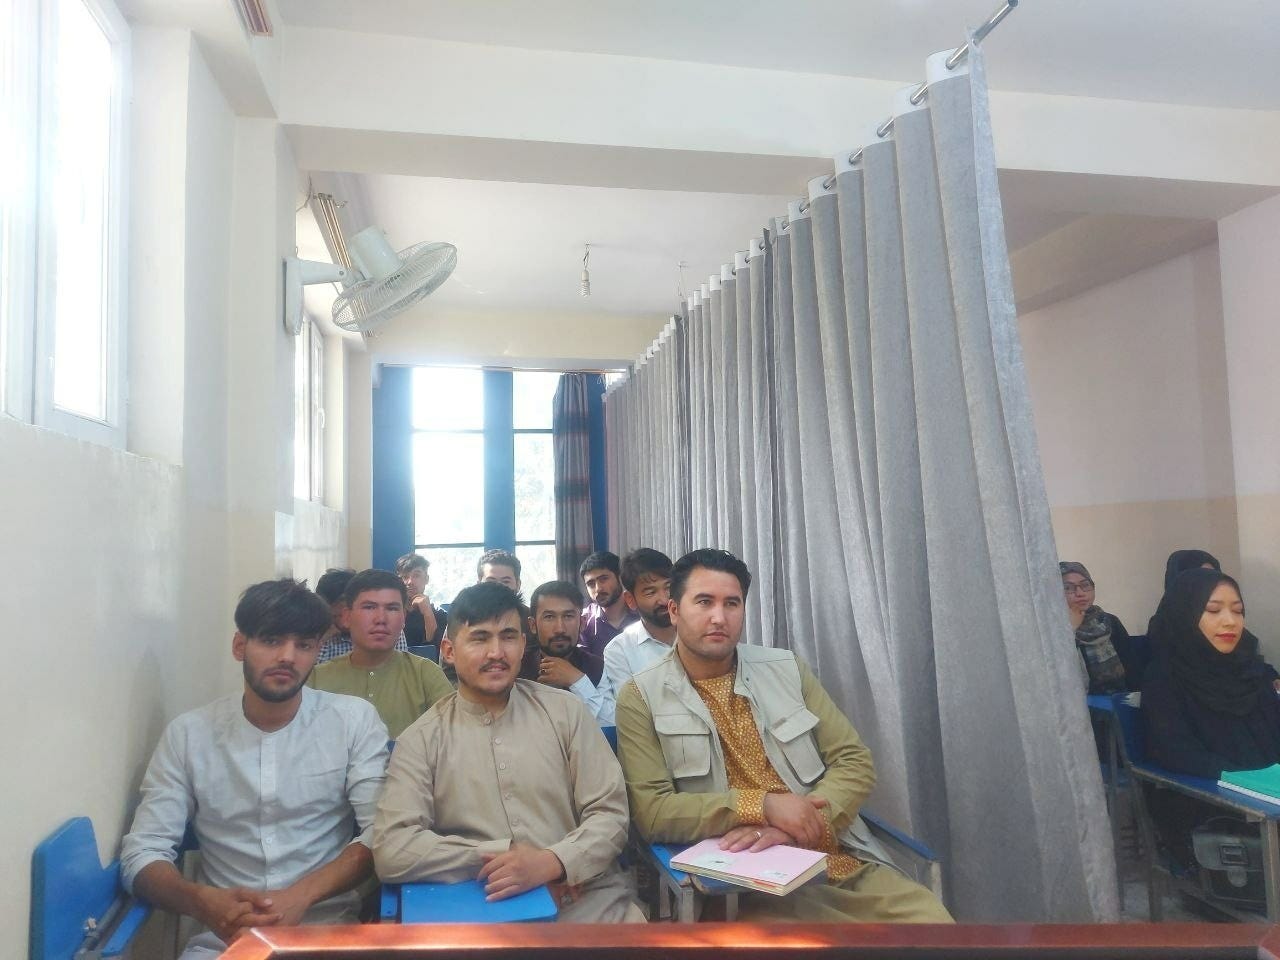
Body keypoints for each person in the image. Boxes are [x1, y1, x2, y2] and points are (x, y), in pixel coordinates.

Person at [615, 549, 952, 923]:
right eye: (704, 602)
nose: (719, 617)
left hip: (835, 860)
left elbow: (853, 760)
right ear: (674, 611)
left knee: (934, 927)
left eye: (732, 603)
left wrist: (802, 827)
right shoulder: (641, 696)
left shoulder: (787, 669)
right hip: (741, 886)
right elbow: (653, 811)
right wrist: (762, 805)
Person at [121, 580, 389, 959]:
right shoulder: (190, 734)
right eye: (271, 640)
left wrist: (300, 896)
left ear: (318, 653)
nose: (287, 657)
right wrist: (203, 902)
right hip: (223, 941)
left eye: (304, 645)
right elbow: (142, 853)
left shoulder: (351, 721)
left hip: (326, 933)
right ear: (239, 646)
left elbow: (381, 832)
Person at [371, 582, 642, 923]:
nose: (497, 652)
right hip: (477, 906)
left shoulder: (566, 713)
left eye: (509, 636)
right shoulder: (421, 740)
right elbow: (393, 849)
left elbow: (611, 815)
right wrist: (503, 856)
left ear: (523, 644)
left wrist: (553, 863)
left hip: (584, 900)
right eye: (480, 638)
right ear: (450, 650)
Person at [1141, 568, 1280, 868]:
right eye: (1213, 610)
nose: (1230, 621)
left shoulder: (1251, 672)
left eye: (1238, 611)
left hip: (1270, 794)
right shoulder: (1164, 678)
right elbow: (1177, 753)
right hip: (1210, 805)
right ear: (1185, 613)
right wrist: (1248, 780)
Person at [310, 569, 453, 739]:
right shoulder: (317, 679)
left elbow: (453, 738)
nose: (381, 619)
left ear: (403, 617)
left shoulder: (425, 674)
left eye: (392, 608)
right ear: (346, 617)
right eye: (369, 607)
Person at [528, 580, 611, 724]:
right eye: (549, 617)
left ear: (583, 622)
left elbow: (611, 724)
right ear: (533, 625)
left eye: (568, 616)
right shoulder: (518, 667)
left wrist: (578, 681)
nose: (560, 628)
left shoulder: (596, 666)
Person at [602, 548, 676, 696]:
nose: (664, 599)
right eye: (650, 592)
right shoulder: (619, 650)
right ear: (630, 600)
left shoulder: (699, 633)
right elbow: (632, 710)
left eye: (669, 588)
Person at [1060, 561, 1142, 693]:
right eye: (1068, 588)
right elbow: (1060, 676)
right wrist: (1071, 629)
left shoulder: (1108, 621)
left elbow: (1133, 671)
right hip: (1078, 707)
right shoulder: (1051, 631)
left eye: (1085, 585)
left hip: (1119, 701)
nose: (1080, 593)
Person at [315, 567, 407, 664]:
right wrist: (322, 638)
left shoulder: (386, 631)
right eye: (335, 617)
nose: (343, 622)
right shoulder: (323, 635)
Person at [578, 550, 639, 658]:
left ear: (620, 578)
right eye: (591, 584)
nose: (598, 589)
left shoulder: (642, 612)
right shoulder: (584, 622)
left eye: (603, 579)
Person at [396, 552, 447, 647]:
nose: (410, 582)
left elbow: (438, 652)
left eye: (416, 575)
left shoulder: (441, 615)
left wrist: (428, 613)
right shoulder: (392, 611)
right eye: (405, 577)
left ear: (426, 579)